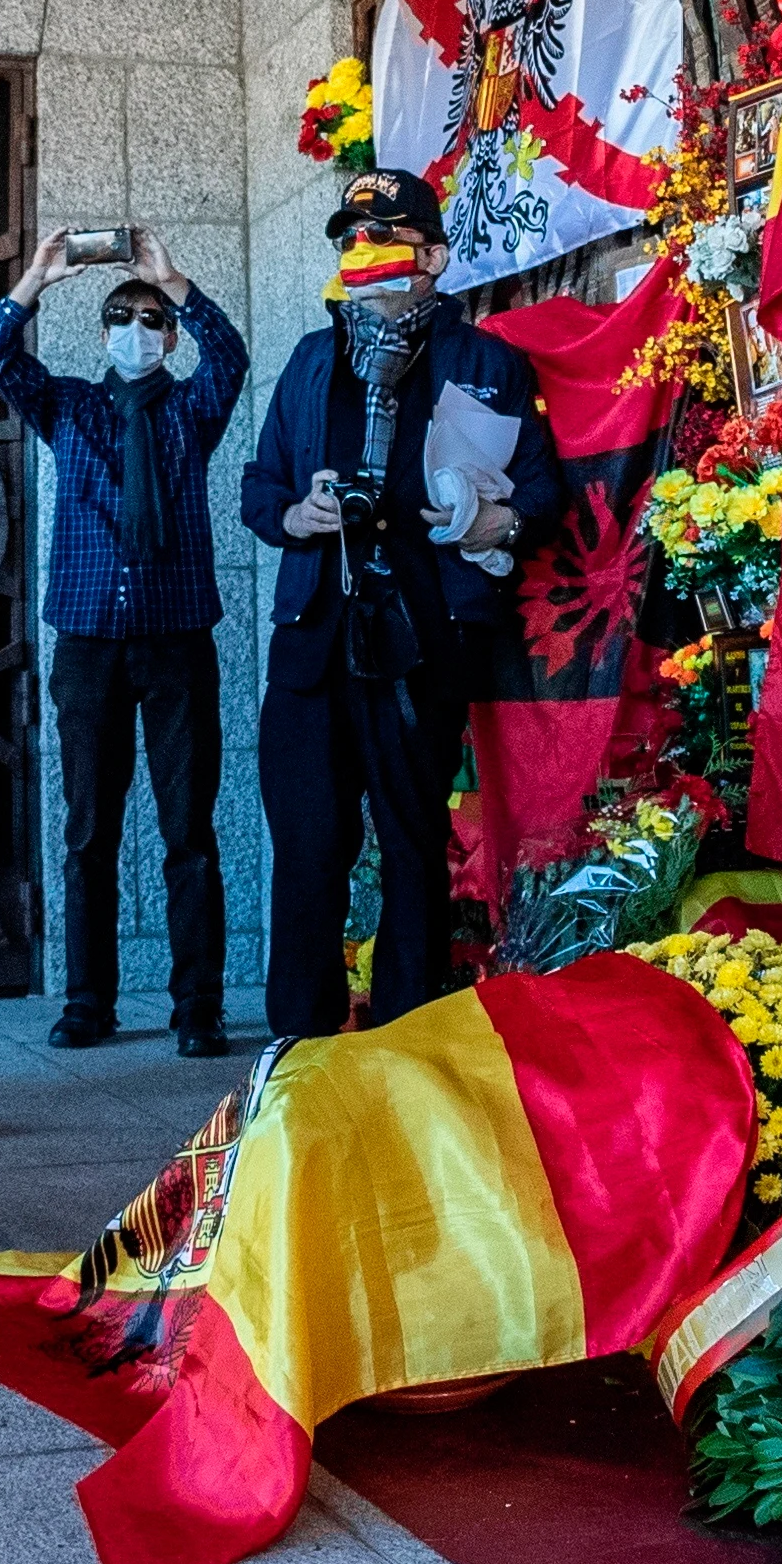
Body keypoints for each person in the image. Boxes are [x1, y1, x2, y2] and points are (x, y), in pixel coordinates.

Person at [237, 168, 554, 1041]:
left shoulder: (486, 359)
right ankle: (296, 1052)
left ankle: (410, 1048)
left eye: (384, 241)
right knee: (307, 851)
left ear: (434, 256)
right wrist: (296, 512)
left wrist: (497, 517)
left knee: (413, 851)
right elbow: (257, 488)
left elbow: (540, 490)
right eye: (350, 242)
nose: (363, 256)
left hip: (423, 636)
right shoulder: (312, 357)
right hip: (313, 640)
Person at [0, 228, 245, 1056]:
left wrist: (175, 282)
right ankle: (88, 1001)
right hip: (88, 642)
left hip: (175, 639)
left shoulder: (192, 411)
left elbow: (227, 358)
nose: (136, 328)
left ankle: (197, 1005)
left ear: (166, 336)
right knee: (90, 831)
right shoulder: (71, 407)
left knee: (187, 832)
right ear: (101, 335)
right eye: (121, 316)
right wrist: (35, 278)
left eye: (150, 319)